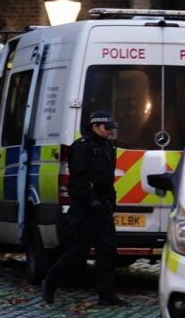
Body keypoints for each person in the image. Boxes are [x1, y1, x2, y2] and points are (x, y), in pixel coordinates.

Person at [42, 110, 125, 306]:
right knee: (75, 255)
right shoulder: (82, 147)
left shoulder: (108, 147)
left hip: (103, 207)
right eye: (106, 128)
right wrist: (90, 200)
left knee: (108, 253)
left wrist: (111, 200)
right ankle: (50, 283)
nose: (109, 132)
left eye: (110, 128)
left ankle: (107, 295)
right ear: (95, 126)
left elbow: (108, 178)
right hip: (84, 209)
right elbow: (78, 179)